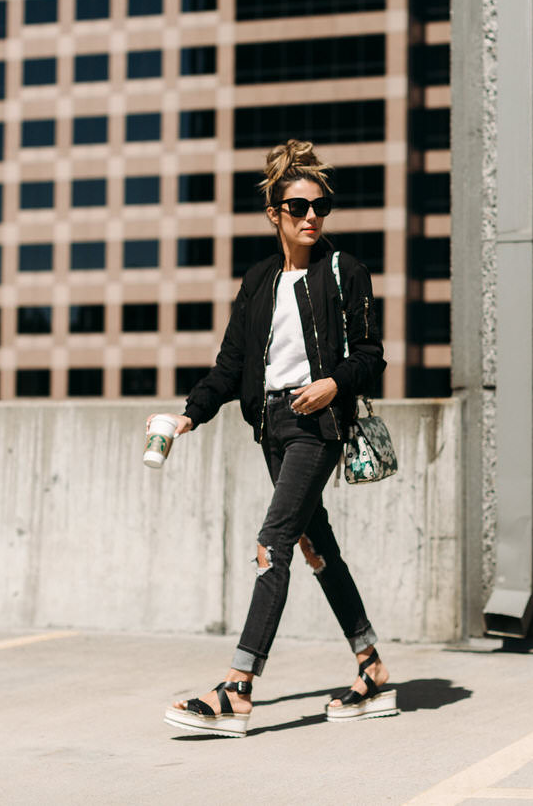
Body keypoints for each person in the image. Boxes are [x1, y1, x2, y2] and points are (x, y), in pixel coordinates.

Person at [158, 139, 397, 738]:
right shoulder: (261, 280)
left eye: (321, 207)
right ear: (275, 213)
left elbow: (372, 357)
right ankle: (371, 666)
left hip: (317, 426)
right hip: (271, 427)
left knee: (273, 546)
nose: (312, 217)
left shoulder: (344, 273)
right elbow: (230, 363)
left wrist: (332, 386)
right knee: (318, 551)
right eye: (299, 207)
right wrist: (189, 415)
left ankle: (238, 689)